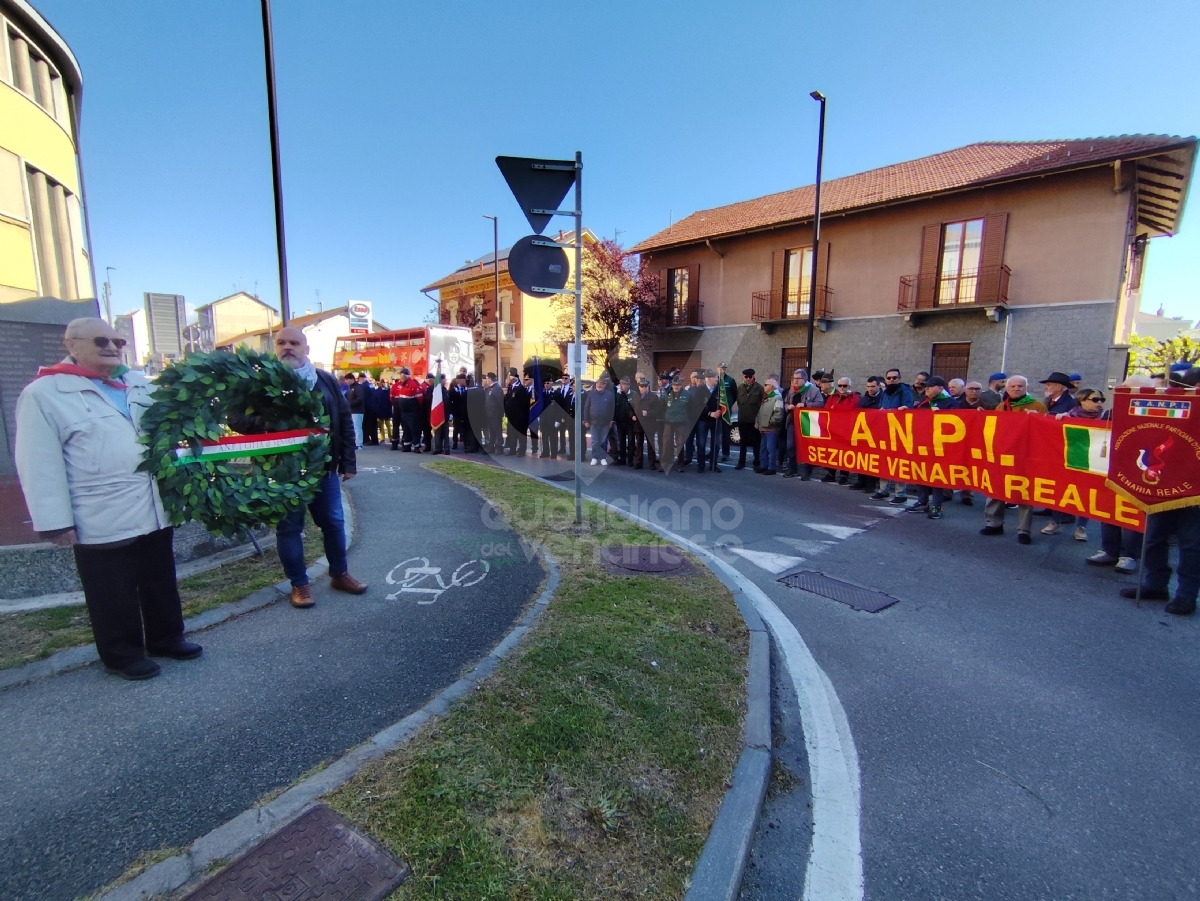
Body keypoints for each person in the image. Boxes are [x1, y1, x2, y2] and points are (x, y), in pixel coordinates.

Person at [15, 317, 201, 680]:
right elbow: (38, 462)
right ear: (71, 344)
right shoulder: (44, 393)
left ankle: (166, 638)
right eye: (101, 340)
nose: (113, 347)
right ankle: (122, 654)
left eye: (118, 341)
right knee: (111, 590)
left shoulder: (137, 384)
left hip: (152, 503)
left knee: (159, 578)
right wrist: (54, 521)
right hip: (99, 510)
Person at [232, 327, 367, 608]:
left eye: (295, 343)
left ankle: (339, 574)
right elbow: (235, 419)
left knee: (333, 523)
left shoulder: (326, 381)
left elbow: (343, 419)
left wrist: (349, 463)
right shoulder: (259, 382)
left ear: (306, 349)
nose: (288, 347)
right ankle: (300, 585)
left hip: (323, 469)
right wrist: (270, 425)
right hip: (281, 472)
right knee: (289, 528)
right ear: (275, 347)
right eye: (282, 343)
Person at [980, 376, 1047, 544]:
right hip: (1002, 454)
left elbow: (1047, 431)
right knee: (996, 487)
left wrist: (1038, 418)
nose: (1016, 388)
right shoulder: (1001, 406)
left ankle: (1024, 530)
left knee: (1023, 492)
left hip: (1025, 455)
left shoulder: (1037, 406)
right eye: (1013, 386)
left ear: (1026, 387)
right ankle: (994, 523)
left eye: (1020, 386)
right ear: (1007, 388)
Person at [1047, 388, 1106, 540]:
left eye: (1101, 400)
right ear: (1082, 400)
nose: (1099, 403)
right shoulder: (1068, 416)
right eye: (1095, 400)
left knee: (1086, 493)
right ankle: (1056, 521)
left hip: (1091, 461)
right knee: (1062, 490)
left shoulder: (1105, 418)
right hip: (1069, 458)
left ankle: (1081, 527)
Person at [909, 376, 957, 518]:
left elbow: (958, 423)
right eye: (926, 386)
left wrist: (943, 416)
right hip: (922, 444)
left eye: (930, 386)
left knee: (937, 477)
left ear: (941, 388)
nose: (927, 389)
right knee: (920, 473)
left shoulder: (950, 403)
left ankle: (937, 506)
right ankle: (922, 502)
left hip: (940, 447)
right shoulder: (923, 403)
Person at [871, 368, 915, 502]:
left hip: (899, 433)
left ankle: (900, 494)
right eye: (889, 378)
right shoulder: (885, 393)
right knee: (884, 462)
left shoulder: (905, 392)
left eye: (894, 378)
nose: (891, 380)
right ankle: (883, 490)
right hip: (885, 432)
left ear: (899, 379)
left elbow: (909, 410)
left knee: (899, 463)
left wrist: (899, 411)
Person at [786, 369, 825, 479]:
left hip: (807, 424)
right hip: (792, 422)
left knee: (805, 447)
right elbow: (786, 402)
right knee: (790, 446)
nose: (795, 381)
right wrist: (788, 407)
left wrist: (805, 404)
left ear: (805, 379)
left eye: (798, 378)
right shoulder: (791, 390)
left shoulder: (814, 390)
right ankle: (791, 469)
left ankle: (805, 472)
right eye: (794, 378)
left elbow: (820, 404)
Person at [848, 376, 883, 493]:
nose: (870, 389)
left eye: (873, 386)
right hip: (863, 432)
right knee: (861, 458)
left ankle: (871, 484)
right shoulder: (864, 399)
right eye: (868, 387)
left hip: (876, 433)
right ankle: (861, 481)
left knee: (872, 459)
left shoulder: (883, 398)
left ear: (879, 386)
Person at [822, 376, 859, 484]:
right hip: (833, 429)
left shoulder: (854, 397)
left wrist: (836, 409)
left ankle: (844, 475)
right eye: (840, 385)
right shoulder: (832, 397)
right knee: (832, 452)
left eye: (845, 385)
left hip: (847, 429)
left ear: (849, 386)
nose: (842, 388)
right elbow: (827, 410)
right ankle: (831, 473)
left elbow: (850, 410)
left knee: (845, 453)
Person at [582, 374, 615, 465]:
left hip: (605, 423)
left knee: (603, 441)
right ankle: (594, 457)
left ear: (605, 385)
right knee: (595, 441)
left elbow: (612, 408)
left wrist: (611, 420)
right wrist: (586, 420)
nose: (599, 385)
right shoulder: (591, 394)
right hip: (593, 422)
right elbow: (586, 407)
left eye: (601, 384)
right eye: (597, 383)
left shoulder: (609, 395)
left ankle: (603, 458)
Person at [735, 368, 764, 471]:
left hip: (754, 420)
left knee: (756, 442)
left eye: (750, 377)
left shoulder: (759, 388)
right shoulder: (740, 388)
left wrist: (758, 419)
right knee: (743, 442)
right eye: (746, 377)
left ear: (753, 377)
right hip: (743, 419)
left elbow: (762, 403)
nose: (748, 379)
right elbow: (739, 402)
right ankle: (741, 462)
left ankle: (757, 462)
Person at [631, 376, 663, 470]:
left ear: (648, 386)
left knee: (650, 444)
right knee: (639, 444)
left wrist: (648, 413)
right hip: (638, 424)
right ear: (639, 387)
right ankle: (638, 462)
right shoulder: (635, 396)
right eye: (642, 386)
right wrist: (632, 415)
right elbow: (631, 407)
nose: (644, 388)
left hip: (649, 424)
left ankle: (652, 463)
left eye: (645, 386)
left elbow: (658, 410)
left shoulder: (653, 397)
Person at [660, 375, 690, 474]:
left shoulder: (687, 394)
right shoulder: (667, 394)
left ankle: (680, 464)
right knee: (667, 443)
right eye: (674, 385)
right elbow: (662, 407)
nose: (676, 386)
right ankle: (665, 464)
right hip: (669, 421)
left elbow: (691, 408)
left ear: (681, 385)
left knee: (680, 444)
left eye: (678, 385)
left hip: (682, 422)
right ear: (672, 385)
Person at [755, 376, 785, 475]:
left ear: (771, 386)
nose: (764, 386)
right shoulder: (766, 397)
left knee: (771, 448)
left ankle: (772, 467)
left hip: (771, 428)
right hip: (763, 427)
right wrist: (757, 421)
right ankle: (763, 465)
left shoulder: (777, 397)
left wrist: (770, 422)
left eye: (766, 385)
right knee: (763, 448)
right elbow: (760, 411)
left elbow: (779, 413)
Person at [390, 367, 424, 451]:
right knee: (406, 429)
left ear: (404, 375)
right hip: (403, 411)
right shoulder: (401, 385)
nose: (400, 377)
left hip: (412, 412)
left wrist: (415, 408)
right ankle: (407, 445)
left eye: (401, 375)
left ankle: (416, 446)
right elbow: (392, 398)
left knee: (414, 429)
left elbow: (420, 399)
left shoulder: (412, 384)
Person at [698, 369, 723, 473]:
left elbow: (725, 402)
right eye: (715, 377)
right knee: (701, 443)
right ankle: (701, 465)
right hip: (703, 419)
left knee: (716, 444)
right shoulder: (700, 390)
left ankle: (713, 464)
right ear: (709, 378)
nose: (717, 379)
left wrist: (721, 411)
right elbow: (697, 406)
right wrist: (709, 413)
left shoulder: (720, 389)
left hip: (717, 419)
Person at [503, 368, 530, 456]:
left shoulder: (520, 389)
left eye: (508, 377)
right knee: (512, 433)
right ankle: (512, 449)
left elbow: (524, 404)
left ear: (513, 378)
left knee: (520, 434)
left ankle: (521, 450)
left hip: (519, 417)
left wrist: (522, 416)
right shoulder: (510, 387)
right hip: (511, 416)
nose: (507, 379)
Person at [716, 362, 738, 462]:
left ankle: (725, 453)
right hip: (715, 410)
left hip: (726, 410)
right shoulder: (714, 379)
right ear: (717, 369)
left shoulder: (730, 380)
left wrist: (728, 404)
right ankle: (714, 451)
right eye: (721, 368)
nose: (722, 370)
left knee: (725, 433)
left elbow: (735, 395)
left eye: (724, 369)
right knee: (715, 432)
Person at [612, 376, 634, 465]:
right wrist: (614, 419)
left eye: (623, 384)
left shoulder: (634, 395)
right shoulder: (618, 395)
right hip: (620, 422)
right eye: (620, 384)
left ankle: (630, 460)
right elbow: (615, 408)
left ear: (628, 385)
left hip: (630, 423)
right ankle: (622, 458)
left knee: (631, 441)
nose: (621, 386)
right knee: (621, 441)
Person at [554, 373, 575, 459]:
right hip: (560, 413)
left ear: (569, 379)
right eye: (562, 378)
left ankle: (572, 451)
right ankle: (562, 448)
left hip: (569, 414)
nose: (564, 379)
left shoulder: (572, 389)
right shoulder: (559, 389)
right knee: (561, 432)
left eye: (566, 378)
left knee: (571, 434)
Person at [346, 372, 365, 449]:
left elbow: (360, 399)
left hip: (358, 411)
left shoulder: (357, 388)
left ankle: (359, 444)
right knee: (354, 428)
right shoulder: (351, 388)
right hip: (353, 410)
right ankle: (356, 443)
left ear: (351, 379)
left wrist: (350, 403)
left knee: (357, 428)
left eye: (347, 379)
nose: (346, 381)